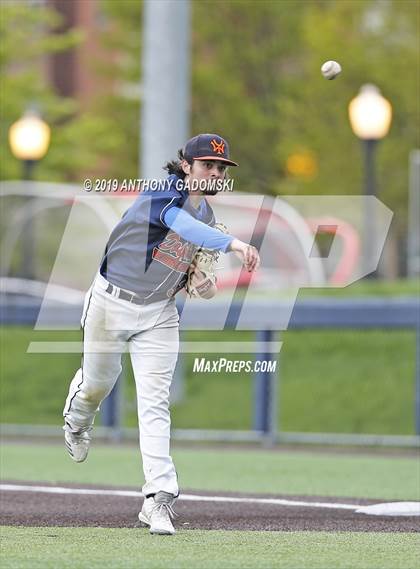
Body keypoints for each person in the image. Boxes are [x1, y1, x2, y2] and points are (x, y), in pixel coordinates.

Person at [62, 133, 260, 535]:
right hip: (110, 302)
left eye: (221, 167)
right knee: (97, 386)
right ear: (185, 166)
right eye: (207, 164)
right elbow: (181, 224)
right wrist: (234, 243)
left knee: (155, 404)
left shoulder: (206, 215)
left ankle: (158, 500)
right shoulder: (161, 194)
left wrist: (197, 281)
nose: (215, 172)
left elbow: (187, 266)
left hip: (158, 314)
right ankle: (78, 419)